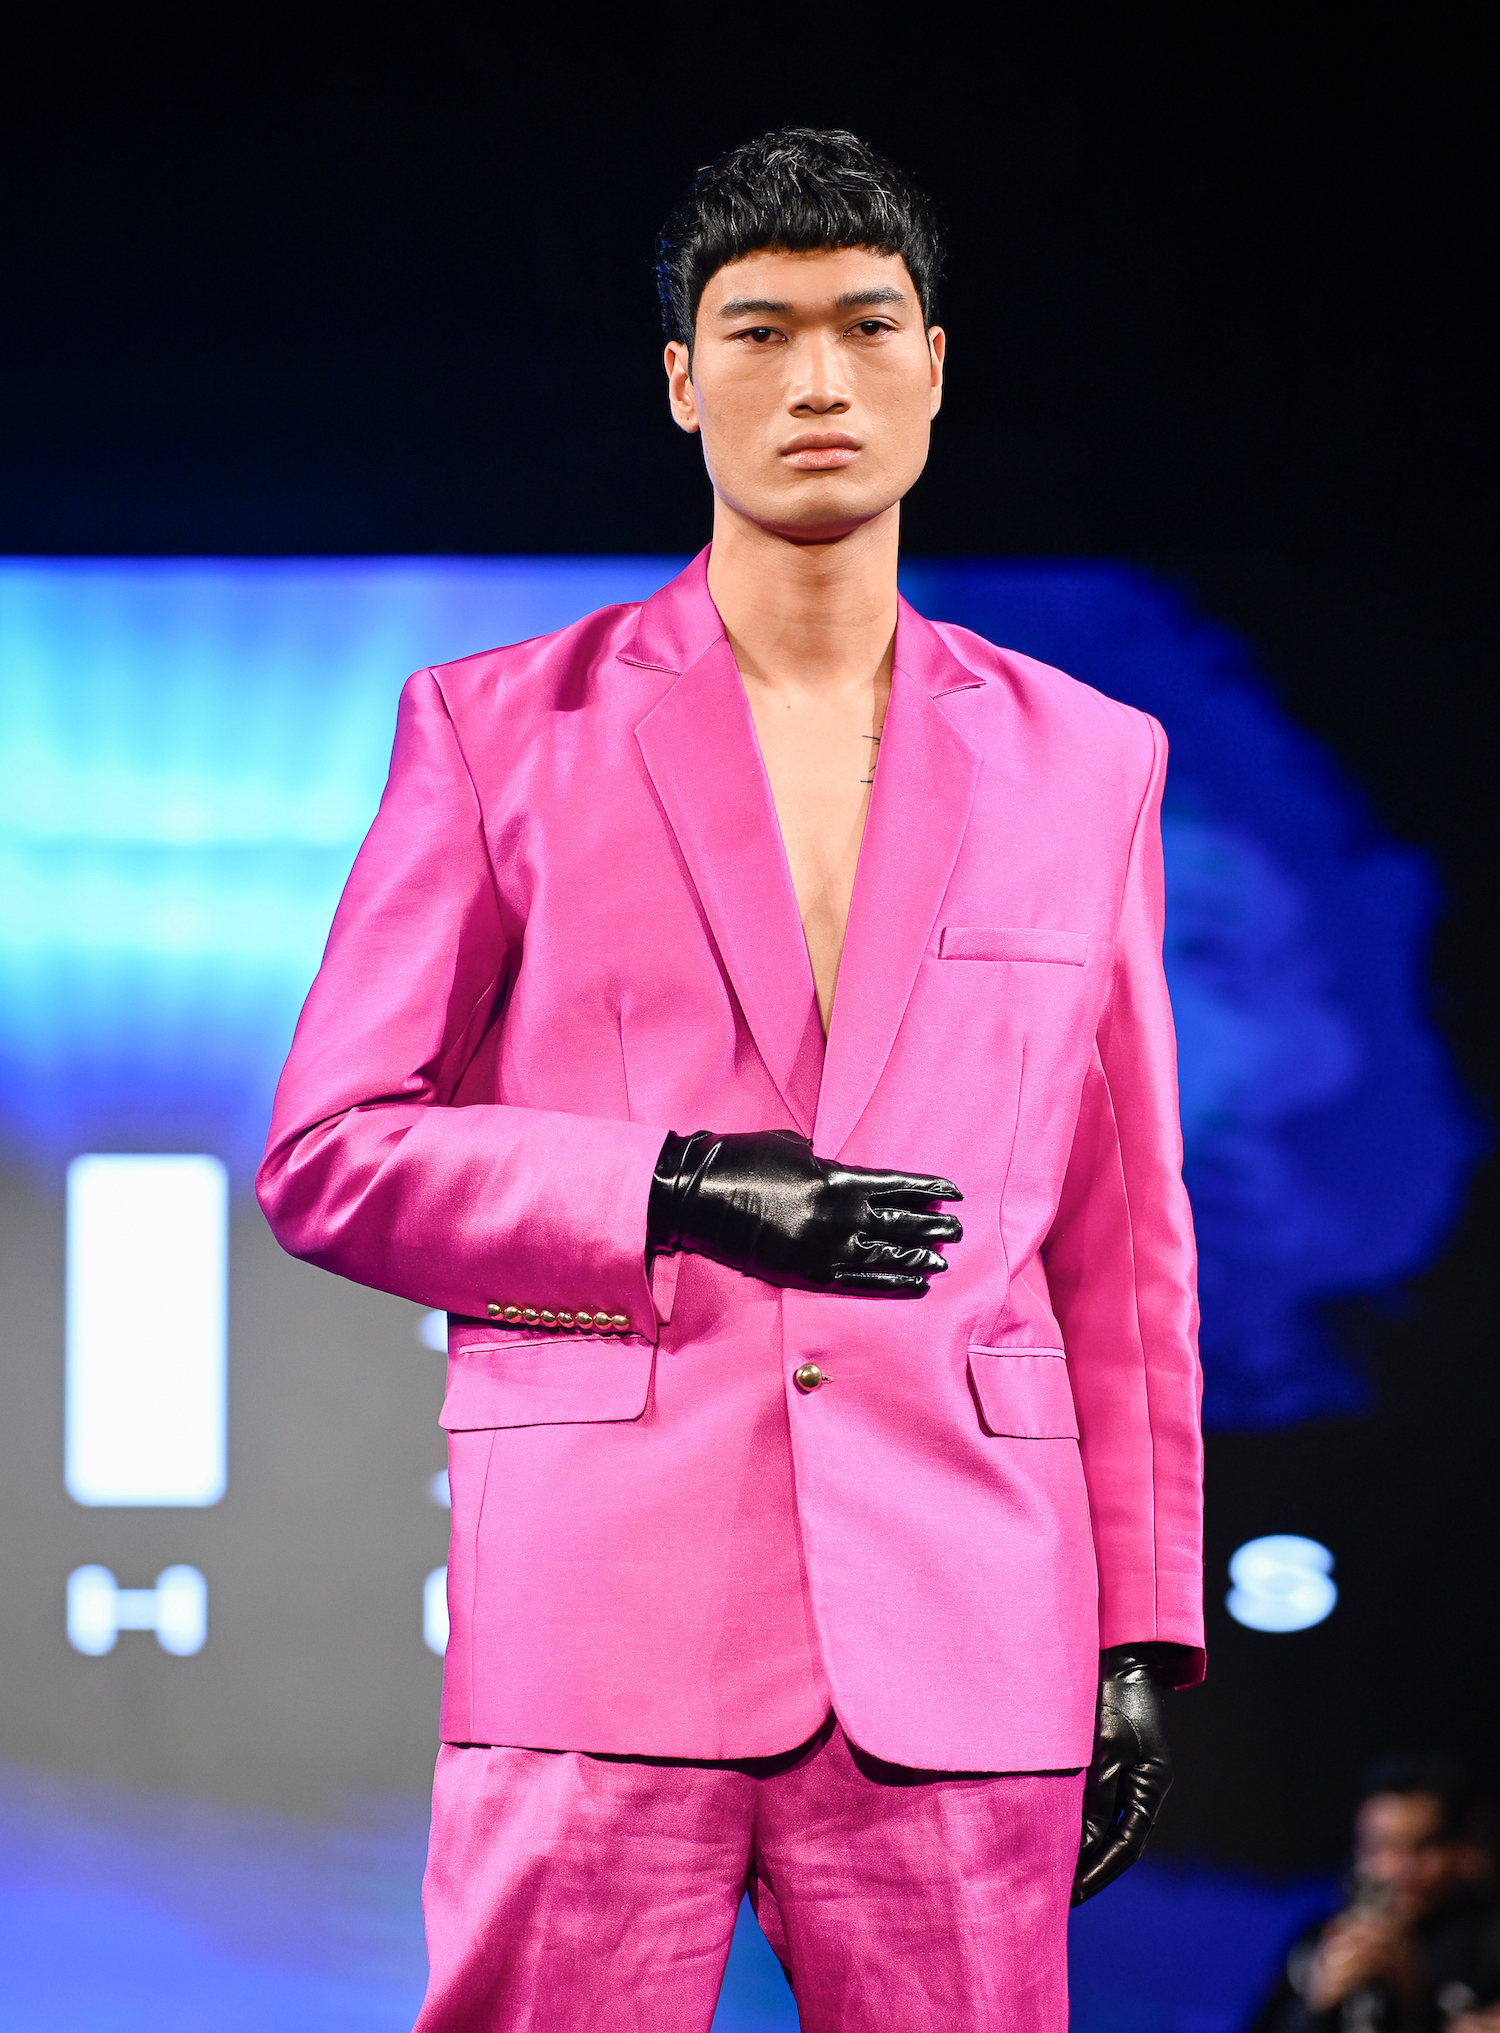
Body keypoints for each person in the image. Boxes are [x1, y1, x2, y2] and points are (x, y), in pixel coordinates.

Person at [258, 127, 1205, 2032]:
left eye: (867, 325)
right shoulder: (498, 730)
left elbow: (1120, 1234)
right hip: (603, 1602)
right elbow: (332, 1152)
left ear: (936, 362)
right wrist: (673, 1186)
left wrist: (1139, 1623)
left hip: (968, 1600)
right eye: (761, 332)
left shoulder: (1087, 758)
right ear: (685, 382)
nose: (819, 379)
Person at [1251, 1756, 1500, 2033]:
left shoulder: (1486, 1946)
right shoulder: (1316, 1942)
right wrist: (1316, 2007)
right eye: (1377, 1848)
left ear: (1463, 1851)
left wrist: (1417, 2002)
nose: (1397, 1870)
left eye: (1422, 1847)